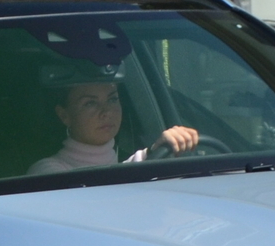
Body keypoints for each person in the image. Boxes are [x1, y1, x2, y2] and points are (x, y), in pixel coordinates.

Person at [27, 67, 200, 176]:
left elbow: (120, 171)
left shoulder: (118, 164)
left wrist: (156, 150)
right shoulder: (48, 172)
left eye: (112, 99)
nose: (106, 112)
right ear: (64, 115)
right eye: (90, 103)